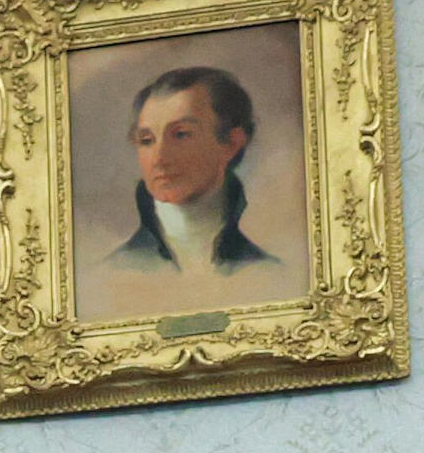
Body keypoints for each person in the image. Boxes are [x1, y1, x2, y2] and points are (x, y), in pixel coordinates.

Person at [100, 64, 300, 308]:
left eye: (181, 134)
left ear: (231, 144)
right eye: (147, 140)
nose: (159, 158)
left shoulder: (273, 277)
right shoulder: (108, 277)